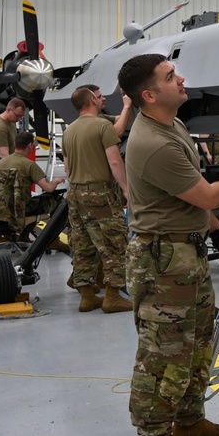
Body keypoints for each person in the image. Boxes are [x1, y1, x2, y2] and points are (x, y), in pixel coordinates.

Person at [118, 53, 219, 436]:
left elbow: (185, 199)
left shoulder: (173, 126)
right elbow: (205, 195)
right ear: (150, 95)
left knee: (198, 345)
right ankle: (153, 433)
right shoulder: (155, 142)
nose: (182, 79)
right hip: (162, 264)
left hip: (185, 254)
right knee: (162, 355)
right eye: (171, 77)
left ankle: (189, 423)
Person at [63, 85, 133, 313]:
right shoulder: (102, 126)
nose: (103, 99)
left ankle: (86, 296)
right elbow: (114, 162)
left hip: (75, 193)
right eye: (100, 96)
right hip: (100, 193)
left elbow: (67, 167)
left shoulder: (68, 131)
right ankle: (112, 297)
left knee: (82, 243)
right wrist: (126, 190)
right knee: (114, 243)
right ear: (92, 100)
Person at [0, 131, 64, 242]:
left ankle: (15, 236)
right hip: (21, 209)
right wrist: (56, 181)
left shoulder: (0, 163)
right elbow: (48, 188)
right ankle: (54, 240)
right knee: (59, 201)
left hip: (0, 209)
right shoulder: (29, 165)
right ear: (30, 145)